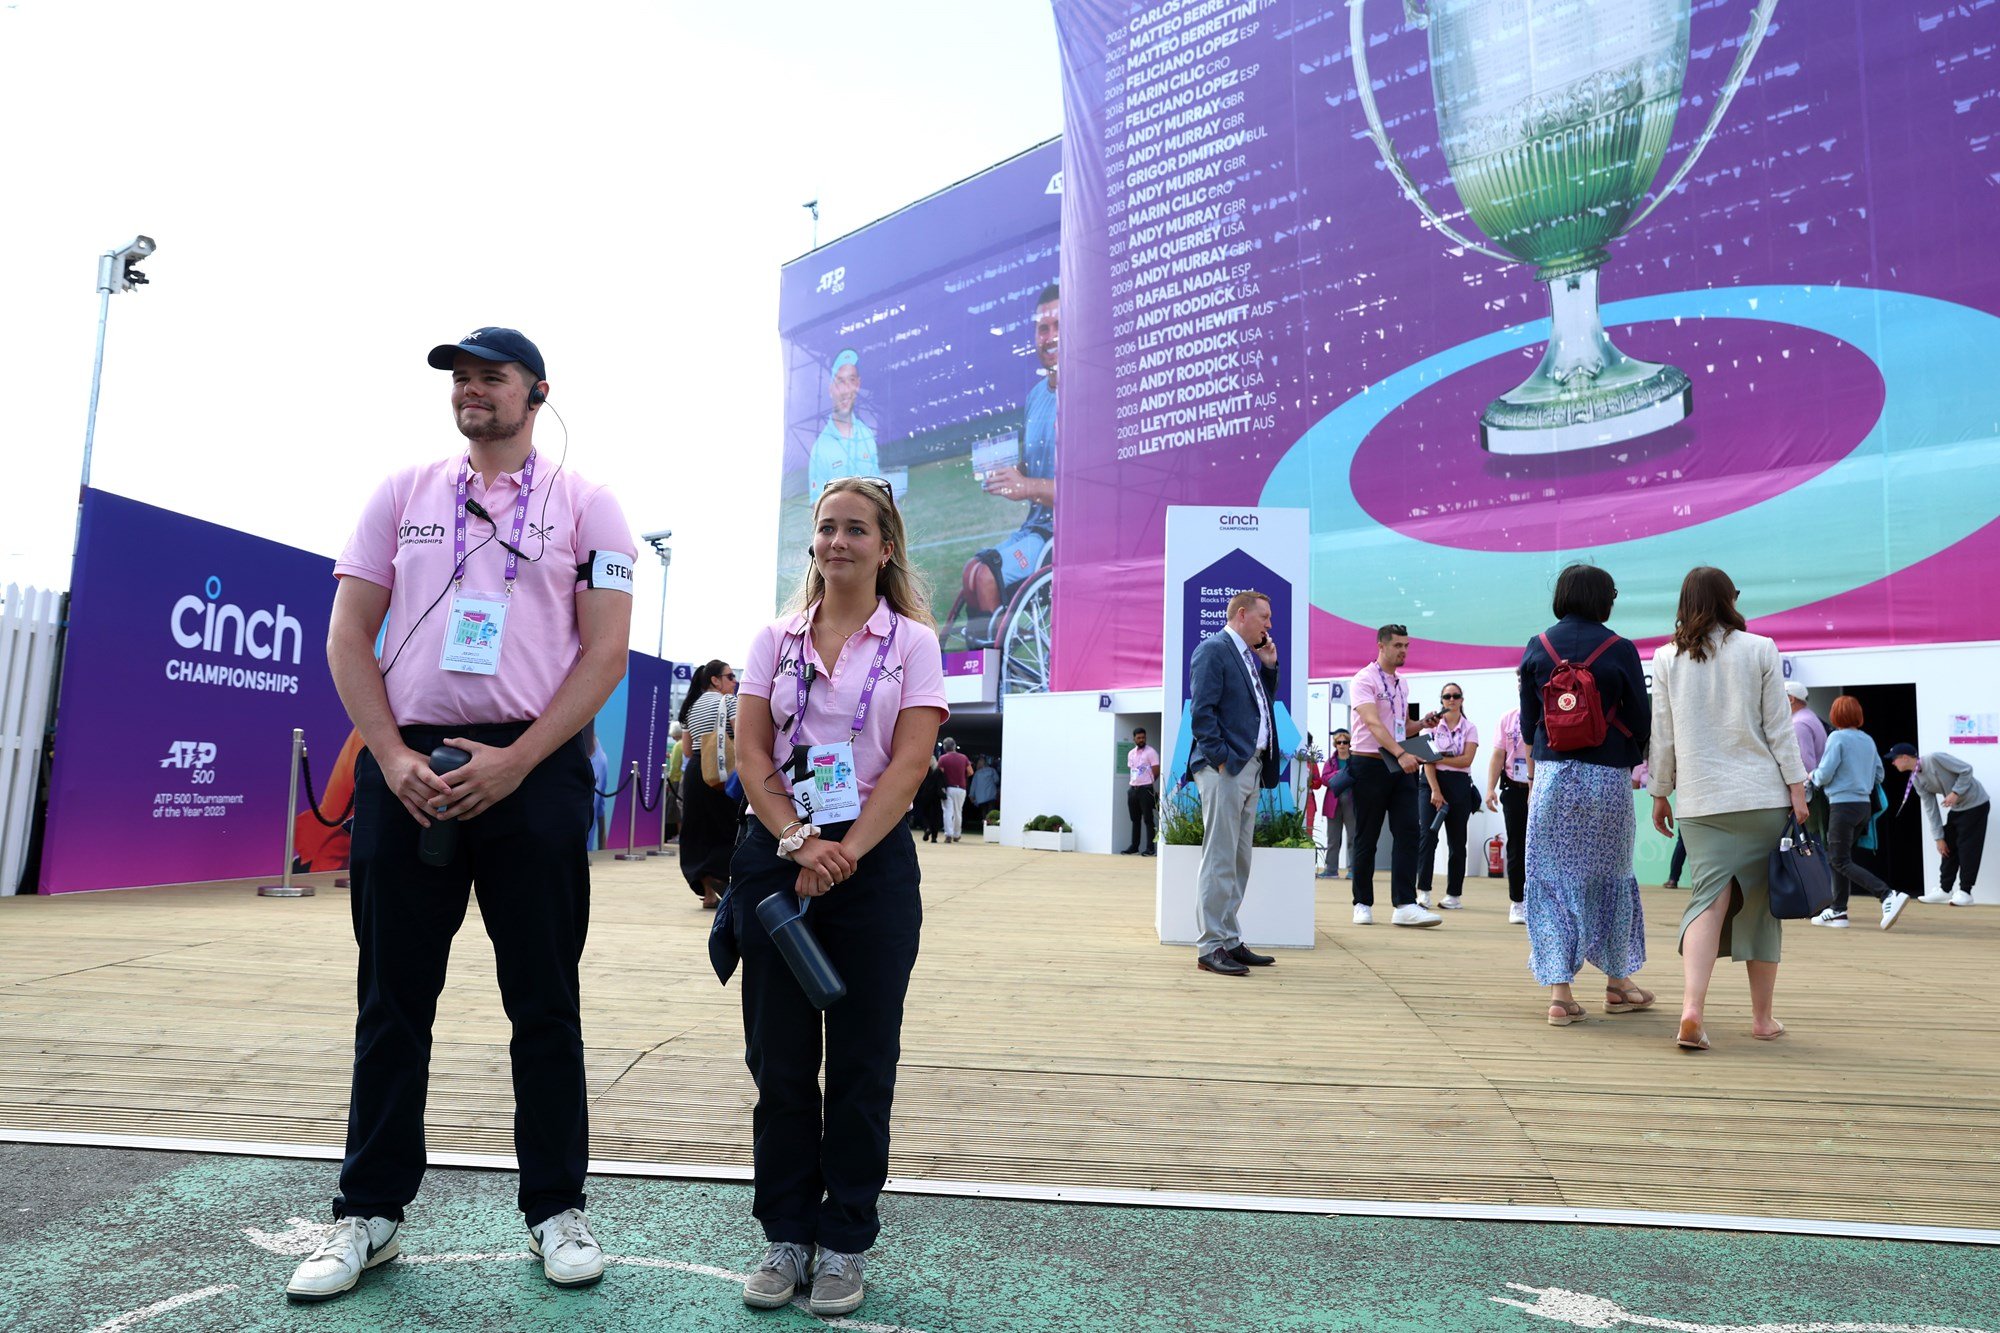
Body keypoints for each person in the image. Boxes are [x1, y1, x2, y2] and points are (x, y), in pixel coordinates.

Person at [287, 327, 634, 1302]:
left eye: (493, 376)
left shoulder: (587, 502)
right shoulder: (403, 492)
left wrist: (521, 761)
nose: (473, 390)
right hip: (413, 769)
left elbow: (603, 654)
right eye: (462, 378)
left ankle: (555, 1208)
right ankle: (369, 1212)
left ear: (538, 391)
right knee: (392, 1000)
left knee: (543, 1001)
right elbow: (348, 635)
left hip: (534, 766)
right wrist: (391, 755)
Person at [731, 475, 947, 1317]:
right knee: (779, 1063)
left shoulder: (913, 644)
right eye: (826, 528)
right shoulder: (772, 639)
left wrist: (845, 852)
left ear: (885, 547)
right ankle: (786, 1234)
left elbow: (908, 764)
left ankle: (845, 1237)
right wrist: (798, 843)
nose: (837, 542)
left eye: (856, 529)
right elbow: (752, 755)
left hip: (871, 869)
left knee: (861, 1064)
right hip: (777, 863)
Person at [1648, 567, 1809, 1052]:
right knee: (1761, 910)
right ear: (1728, 600)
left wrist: (1660, 792)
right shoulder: (1760, 648)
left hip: (1701, 801)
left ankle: (1692, 1010)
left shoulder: (1665, 658)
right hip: (1761, 797)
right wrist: (1797, 790)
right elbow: (1780, 729)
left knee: (1708, 899)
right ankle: (1762, 1020)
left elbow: (1664, 733)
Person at [1519, 565, 1653, 1027]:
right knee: (1613, 876)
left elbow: (1526, 724)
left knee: (1551, 879)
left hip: (1552, 779)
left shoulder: (1539, 645)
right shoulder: (1621, 650)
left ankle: (1561, 994)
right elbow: (1641, 718)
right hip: (1606, 781)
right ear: (1604, 599)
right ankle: (1617, 982)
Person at [1186, 590, 1284, 974]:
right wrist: (1222, 759)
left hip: (1250, 768)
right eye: (1265, 617)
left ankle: (1228, 939)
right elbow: (1202, 712)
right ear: (1242, 615)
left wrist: (1270, 668)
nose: (1269, 624)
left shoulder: (1247, 655)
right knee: (1220, 858)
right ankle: (1210, 945)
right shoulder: (1213, 650)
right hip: (1227, 769)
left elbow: (1257, 709)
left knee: (1239, 860)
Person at [960, 283, 1059, 632]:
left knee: (986, 576)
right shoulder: (1035, 397)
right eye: (1043, 328)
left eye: (1059, 326)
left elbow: (1086, 491)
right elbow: (1035, 464)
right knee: (971, 572)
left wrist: (1028, 485)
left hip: (1065, 537)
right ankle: (984, 670)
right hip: (1035, 527)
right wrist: (1009, 474)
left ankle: (999, 674)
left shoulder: (1083, 392)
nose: (1049, 337)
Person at [1347, 624, 1441, 927]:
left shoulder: (1402, 684)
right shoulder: (1364, 679)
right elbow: (1374, 724)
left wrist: (1421, 725)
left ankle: (1404, 903)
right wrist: (1401, 753)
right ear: (1381, 646)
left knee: (1409, 832)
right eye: (1398, 645)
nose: (1403, 651)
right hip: (1370, 762)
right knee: (1367, 835)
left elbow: (1399, 727)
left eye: (1406, 645)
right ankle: (1362, 902)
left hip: (1401, 762)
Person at [1808, 696, 1908, 930]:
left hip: (1842, 805)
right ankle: (1838, 911)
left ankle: (1887, 894)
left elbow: (1824, 775)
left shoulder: (1837, 737)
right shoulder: (1867, 740)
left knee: (1838, 859)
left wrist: (1812, 775)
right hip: (1863, 806)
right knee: (1839, 858)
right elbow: (1879, 775)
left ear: (1835, 715)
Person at [1889, 743, 1989, 906]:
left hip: (1976, 803)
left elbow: (1966, 770)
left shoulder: (1934, 759)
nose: (1893, 763)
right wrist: (1938, 837)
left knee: (1968, 847)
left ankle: (1965, 892)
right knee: (1947, 845)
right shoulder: (1915, 779)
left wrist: (1956, 792)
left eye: (1894, 759)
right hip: (1958, 808)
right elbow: (1931, 808)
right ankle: (1944, 889)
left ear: (1905, 758)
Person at [679, 660, 740, 908]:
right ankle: (720, 877)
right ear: (715, 680)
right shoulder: (730, 702)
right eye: (730, 676)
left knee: (698, 831)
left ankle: (708, 893)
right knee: (726, 826)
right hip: (721, 771)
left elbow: (686, 749)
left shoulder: (691, 707)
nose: (734, 681)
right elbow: (742, 737)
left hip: (696, 770)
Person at [1416, 683, 1480, 911]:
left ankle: (1454, 894)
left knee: (1457, 841)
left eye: (1455, 696)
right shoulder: (1431, 727)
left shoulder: (1470, 727)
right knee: (1427, 836)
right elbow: (1426, 762)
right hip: (1431, 783)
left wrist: (1437, 757)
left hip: (1459, 785)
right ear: (1441, 699)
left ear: (1462, 699)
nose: (1451, 700)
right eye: (1447, 696)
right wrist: (1435, 790)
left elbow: (1466, 760)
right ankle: (1423, 891)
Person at [806, 350, 880, 500]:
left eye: (851, 380)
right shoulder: (820, 449)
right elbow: (818, 509)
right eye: (840, 381)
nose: (846, 390)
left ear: (857, 385)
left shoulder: (867, 435)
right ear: (830, 388)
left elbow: (878, 492)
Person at [1483, 696, 1531, 924]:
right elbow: (1498, 754)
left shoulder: (1546, 714)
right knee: (1516, 845)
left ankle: (1541, 902)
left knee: (1543, 846)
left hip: (1541, 789)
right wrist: (1490, 788)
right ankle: (1518, 901)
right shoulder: (1508, 718)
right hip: (1514, 787)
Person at [1317, 730, 1356, 880]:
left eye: (1345, 742)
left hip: (1352, 801)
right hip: (1333, 801)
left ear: (1349, 744)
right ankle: (1331, 870)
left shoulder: (1355, 760)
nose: (1342, 745)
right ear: (1335, 744)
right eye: (1339, 742)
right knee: (1333, 838)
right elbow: (1324, 780)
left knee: (1353, 837)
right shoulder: (1330, 762)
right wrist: (1340, 774)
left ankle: (1354, 870)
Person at [1122, 725, 1161, 855]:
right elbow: (1132, 770)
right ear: (1134, 739)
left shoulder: (1151, 752)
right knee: (1135, 819)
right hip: (1133, 789)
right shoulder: (1131, 753)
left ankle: (1150, 848)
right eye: (1138, 738)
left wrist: (1147, 782)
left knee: (1148, 819)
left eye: (1143, 737)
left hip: (1146, 789)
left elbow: (1156, 771)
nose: (1141, 740)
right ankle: (1134, 846)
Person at [937, 738, 971, 842]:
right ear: (955, 746)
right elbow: (970, 772)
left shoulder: (942, 759)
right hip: (961, 788)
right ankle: (957, 834)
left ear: (944, 747)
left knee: (947, 811)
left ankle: (948, 834)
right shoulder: (964, 758)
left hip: (948, 788)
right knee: (958, 812)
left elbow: (940, 774)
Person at [913, 757, 946, 843]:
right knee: (936, 816)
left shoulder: (923, 770)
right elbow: (941, 784)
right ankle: (934, 837)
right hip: (936, 796)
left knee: (924, 815)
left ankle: (927, 828)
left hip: (925, 796)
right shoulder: (938, 772)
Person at [968, 755, 1000, 832]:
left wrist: (971, 795)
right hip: (991, 795)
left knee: (984, 812)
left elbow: (973, 785)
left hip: (981, 797)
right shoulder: (992, 771)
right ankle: (991, 828)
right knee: (991, 811)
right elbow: (996, 780)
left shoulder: (977, 773)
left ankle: (984, 826)